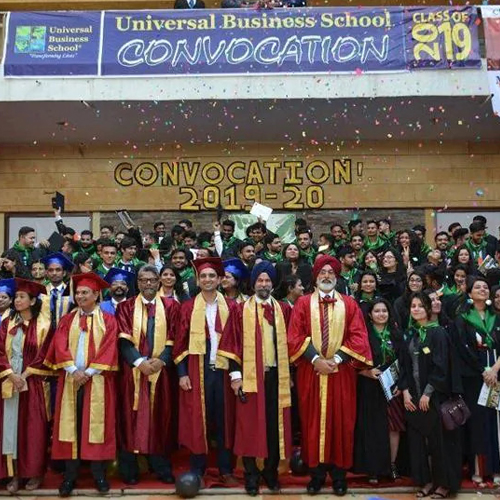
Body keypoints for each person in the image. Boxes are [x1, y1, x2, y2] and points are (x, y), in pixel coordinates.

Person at [287, 255, 372, 496]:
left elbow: (358, 336)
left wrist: (335, 360)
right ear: (315, 277)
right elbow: (294, 336)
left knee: (342, 423)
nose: (326, 276)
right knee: (312, 422)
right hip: (311, 372)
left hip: (341, 373)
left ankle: (338, 476)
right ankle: (316, 475)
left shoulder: (350, 304)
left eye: (331, 273)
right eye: (322, 272)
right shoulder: (303, 303)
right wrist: (316, 360)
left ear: (337, 277)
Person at [219, 261, 292, 495]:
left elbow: (293, 344)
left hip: (276, 377)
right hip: (250, 377)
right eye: (260, 280)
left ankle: (270, 472)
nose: (263, 284)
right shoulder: (240, 310)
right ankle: (251, 475)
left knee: (274, 427)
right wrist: (235, 377)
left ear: (273, 284)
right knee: (249, 426)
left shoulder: (283, 310)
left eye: (267, 280)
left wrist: (290, 376)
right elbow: (231, 343)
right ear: (253, 283)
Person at [44, 273, 118, 496]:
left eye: (85, 292)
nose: (80, 296)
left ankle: (99, 475)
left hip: (98, 381)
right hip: (71, 380)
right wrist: (73, 370)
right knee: (71, 427)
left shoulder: (108, 320)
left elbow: (109, 348)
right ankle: (70, 476)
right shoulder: (67, 320)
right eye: (77, 293)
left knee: (96, 427)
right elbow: (59, 346)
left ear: (96, 295)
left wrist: (89, 372)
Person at [173, 257, 240, 487]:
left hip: (224, 372)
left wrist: (236, 375)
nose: (208, 279)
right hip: (197, 369)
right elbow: (180, 342)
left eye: (212, 276)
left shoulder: (232, 307)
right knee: (198, 421)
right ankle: (197, 470)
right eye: (203, 276)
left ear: (220, 280)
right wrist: (182, 373)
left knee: (224, 421)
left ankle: (226, 469)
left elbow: (238, 342)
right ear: (198, 280)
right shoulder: (188, 307)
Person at [116, 265, 180, 485]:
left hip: (161, 373)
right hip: (132, 373)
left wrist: (161, 360)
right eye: (143, 280)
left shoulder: (171, 306)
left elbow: (175, 337)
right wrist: (139, 362)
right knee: (130, 418)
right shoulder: (125, 307)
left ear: (159, 281)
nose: (148, 284)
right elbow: (123, 340)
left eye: (152, 279)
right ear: (138, 283)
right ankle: (129, 469)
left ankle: (161, 466)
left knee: (160, 418)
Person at [399, 292, 462, 499]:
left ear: (427, 308)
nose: (416, 309)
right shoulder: (410, 334)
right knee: (418, 442)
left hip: (434, 397)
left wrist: (427, 393)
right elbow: (404, 366)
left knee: (439, 443)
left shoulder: (438, 333)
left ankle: (443, 484)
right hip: (413, 397)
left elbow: (441, 366)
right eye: (413, 306)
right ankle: (425, 481)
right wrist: (405, 392)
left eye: (420, 305)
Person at [0, 279, 52, 493]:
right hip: (9, 382)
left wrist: (25, 375)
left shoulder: (44, 325)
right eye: (16, 297)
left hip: (34, 384)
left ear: (32, 301)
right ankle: (13, 473)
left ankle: (33, 473)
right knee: (10, 427)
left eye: (22, 297)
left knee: (33, 429)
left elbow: (45, 354)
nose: (17, 300)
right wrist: (11, 374)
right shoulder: (7, 323)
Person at [452, 277, 500, 484]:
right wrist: (483, 370)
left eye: (485, 287)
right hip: (474, 377)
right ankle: (479, 469)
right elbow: (462, 349)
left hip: (496, 375)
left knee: (495, 421)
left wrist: (494, 369)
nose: (483, 289)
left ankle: (496, 469)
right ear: (469, 293)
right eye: (477, 287)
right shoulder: (462, 319)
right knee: (478, 422)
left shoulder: (496, 316)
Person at [353, 298, 404, 483]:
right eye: (377, 311)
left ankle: (392, 465)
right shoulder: (363, 335)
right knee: (372, 428)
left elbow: (405, 362)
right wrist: (366, 372)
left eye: (384, 311)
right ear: (370, 315)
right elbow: (353, 361)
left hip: (393, 388)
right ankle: (373, 468)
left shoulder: (397, 334)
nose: (381, 314)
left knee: (393, 427)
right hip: (371, 387)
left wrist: (401, 385)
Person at [40, 252, 74, 331]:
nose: (54, 273)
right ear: (46, 273)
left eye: (58, 270)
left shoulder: (71, 293)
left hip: (65, 333)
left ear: (64, 273)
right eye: (51, 270)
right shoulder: (41, 293)